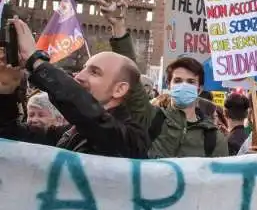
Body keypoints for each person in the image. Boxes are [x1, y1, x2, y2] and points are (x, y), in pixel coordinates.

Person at [99, 0, 228, 159]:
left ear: (199, 88)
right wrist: (118, 27)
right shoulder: (152, 119)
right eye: (178, 80)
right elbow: (130, 75)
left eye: (191, 82)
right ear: (169, 84)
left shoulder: (214, 139)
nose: (184, 85)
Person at [0, 18, 148, 158]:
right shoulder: (69, 132)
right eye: (83, 69)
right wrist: (6, 91)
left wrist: (35, 61)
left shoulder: (132, 138)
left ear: (119, 89)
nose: (79, 77)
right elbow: (11, 136)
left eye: (94, 72)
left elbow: (92, 117)